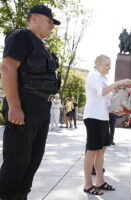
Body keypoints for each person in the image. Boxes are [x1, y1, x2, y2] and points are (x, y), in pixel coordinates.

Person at [0, 5, 61, 200]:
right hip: (25, 105)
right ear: (34, 18)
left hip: (41, 107)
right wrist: (15, 106)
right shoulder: (21, 37)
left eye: (53, 23)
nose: (52, 26)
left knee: (32, 161)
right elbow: (8, 68)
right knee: (16, 162)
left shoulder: (42, 46)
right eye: (49, 21)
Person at [82, 54, 131, 195]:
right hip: (93, 117)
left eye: (110, 65)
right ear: (97, 65)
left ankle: (100, 181)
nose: (109, 67)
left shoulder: (104, 79)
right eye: (107, 64)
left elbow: (108, 101)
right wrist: (118, 83)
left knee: (101, 150)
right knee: (92, 150)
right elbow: (100, 93)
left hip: (103, 118)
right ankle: (87, 184)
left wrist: (120, 110)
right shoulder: (93, 75)